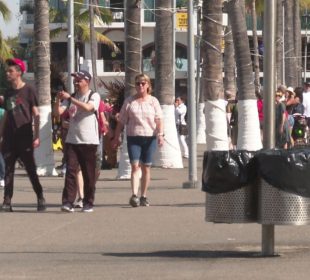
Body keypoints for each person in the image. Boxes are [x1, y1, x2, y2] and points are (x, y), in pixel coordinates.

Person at [111, 73, 164, 207]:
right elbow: (121, 121)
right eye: (137, 83)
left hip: (149, 137)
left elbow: (159, 119)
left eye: (142, 83)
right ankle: (134, 195)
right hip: (133, 137)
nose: (140, 86)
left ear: (148, 85)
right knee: (135, 166)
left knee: (146, 167)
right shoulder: (129, 101)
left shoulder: (153, 101)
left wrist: (160, 135)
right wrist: (116, 137)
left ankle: (143, 196)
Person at [0, 58, 46, 212]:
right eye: (7, 71)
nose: (7, 73)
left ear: (19, 73)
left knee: (30, 169)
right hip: (9, 138)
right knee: (8, 170)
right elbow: (6, 114)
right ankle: (7, 201)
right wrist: (0, 134)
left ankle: (40, 196)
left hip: (25, 137)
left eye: (10, 71)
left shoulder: (29, 90)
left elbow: (36, 113)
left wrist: (37, 135)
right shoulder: (7, 92)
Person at [54, 70, 100, 213]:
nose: (76, 82)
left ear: (87, 81)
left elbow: (88, 107)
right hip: (72, 140)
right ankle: (68, 202)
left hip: (88, 141)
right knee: (71, 172)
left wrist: (70, 99)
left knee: (88, 174)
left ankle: (88, 202)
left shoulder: (94, 95)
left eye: (79, 80)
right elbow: (58, 113)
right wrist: (57, 99)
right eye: (75, 80)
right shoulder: (71, 97)